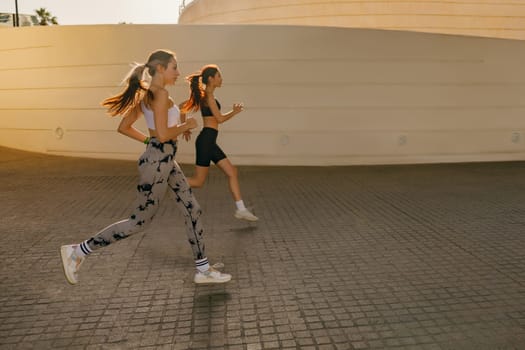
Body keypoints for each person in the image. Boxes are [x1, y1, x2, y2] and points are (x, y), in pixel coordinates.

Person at [60, 50, 231, 285]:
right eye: (174, 67)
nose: (178, 72)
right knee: (140, 221)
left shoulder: (150, 95)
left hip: (165, 160)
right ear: (160, 68)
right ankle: (78, 251)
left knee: (192, 209)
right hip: (158, 162)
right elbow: (161, 135)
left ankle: (203, 269)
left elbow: (125, 127)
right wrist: (186, 125)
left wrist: (156, 138)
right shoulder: (159, 94)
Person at [181, 64, 259, 222]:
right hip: (206, 141)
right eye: (219, 76)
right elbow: (220, 119)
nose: (221, 79)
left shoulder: (205, 96)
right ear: (211, 78)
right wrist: (235, 112)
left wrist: (185, 128)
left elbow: (182, 107)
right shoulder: (208, 96)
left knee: (232, 172)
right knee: (198, 181)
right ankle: (167, 180)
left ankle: (241, 210)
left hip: (209, 141)